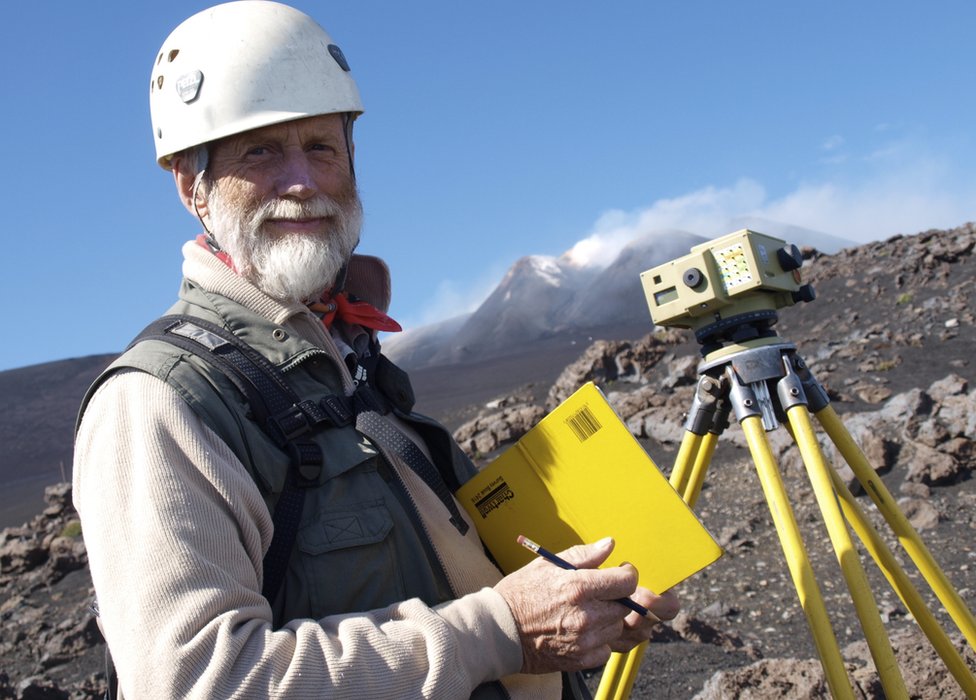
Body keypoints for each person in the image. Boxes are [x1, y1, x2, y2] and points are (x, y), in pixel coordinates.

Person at [72, 2, 679, 698]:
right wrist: (502, 629)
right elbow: (196, 683)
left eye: (321, 147)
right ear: (192, 186)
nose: (301, 181)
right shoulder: (163, 402)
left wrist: (580, 608)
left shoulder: (347, 359)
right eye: (261, 151)